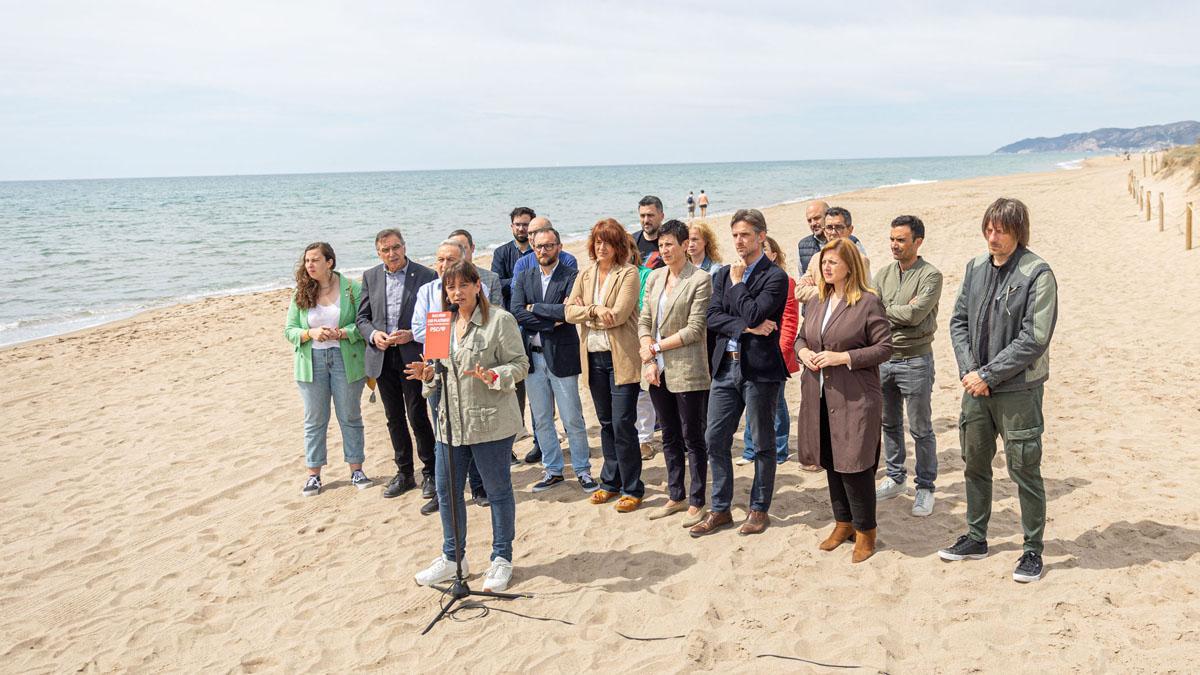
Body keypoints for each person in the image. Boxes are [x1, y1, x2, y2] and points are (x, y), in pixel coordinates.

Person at [938, 198, 1057, 584]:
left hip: (1018, 391)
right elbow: (957, 321)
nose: (993, 237)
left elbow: (1033, 339)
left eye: (1001, 230)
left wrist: (988, 374)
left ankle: (1032, 551)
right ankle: (976, 537)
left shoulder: (1037, 273)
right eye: (988, 229)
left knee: (1024, 469)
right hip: (975, 387)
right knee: (974, 463)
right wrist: (970, 371)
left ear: (1018, 231)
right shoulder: (975, 268)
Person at [407, 261, 528, 593]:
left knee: (497, 491)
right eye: (450, 287)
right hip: (450, 424)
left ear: (478, 286)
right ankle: (453, 558)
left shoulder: (499, 320)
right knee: (447, 493)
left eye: (463, 285)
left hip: (489, 422)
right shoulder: (439, 325)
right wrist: (427, 376)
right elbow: (436, 372)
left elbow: (520, 365)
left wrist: (494, 376)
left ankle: (501, 558)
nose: (456, 292)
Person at [690, 208, 789, 538]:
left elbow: (755, 310)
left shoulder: (774, 276)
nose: (739, 241)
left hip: (760, 370)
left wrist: (737, 286)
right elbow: (712, 318)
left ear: (761, 236)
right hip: (724, 368)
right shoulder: (721, 275)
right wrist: (747, 328)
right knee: (714, 439)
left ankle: (759, 509)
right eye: (734, 235)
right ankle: (720, 510)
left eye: (745, 234)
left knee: (762, 443)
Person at [795, 238, 893, 563]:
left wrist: (843, 358)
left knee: (855, 465)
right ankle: (843, 523)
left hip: (855, 396)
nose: (826, 267)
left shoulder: (867, 302)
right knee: (831, 461)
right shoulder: (817, 302)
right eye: (824, 262)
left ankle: (866, 532)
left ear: (850, 265)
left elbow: (885, 347)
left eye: (833, 262)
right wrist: (804, 352)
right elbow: (800, 338)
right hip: (819, 395)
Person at [564, 218, 644, 513]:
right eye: (597, 241)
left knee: (624, 423)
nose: (601, 247)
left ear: (618, 246)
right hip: (593, 357)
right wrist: (596, 309)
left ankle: (633, 487)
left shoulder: (629, 274)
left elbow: (621, 314)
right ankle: (610, 482)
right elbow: (569, 312)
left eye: (607, 241)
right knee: (606, 423)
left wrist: (587, 313)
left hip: (621, 358)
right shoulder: (585, 274)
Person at [511, 226, 598, 493]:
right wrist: (551, 321)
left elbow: (568, 312)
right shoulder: (524, 277)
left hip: (561, 356)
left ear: (559, 247)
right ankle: (553, 470)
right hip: (533, 359)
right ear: (533, 248)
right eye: (538, 246)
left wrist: (535, 308)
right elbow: (515, 311)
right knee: (541, 419)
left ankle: (583, 469)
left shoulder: (572, 276)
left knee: (572, 417)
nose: (543, 250)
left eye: (549, 246)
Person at [411, 240, 496, 511]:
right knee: (443, 433)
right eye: (440, 260)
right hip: (436, 369)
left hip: (470, 368)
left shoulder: (472, 289)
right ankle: (442, 491)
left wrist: (450, 329)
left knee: (471, 429)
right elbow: (417, 330)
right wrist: (445, 329)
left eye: (450, 259)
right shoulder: (426, 291)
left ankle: (479, 486)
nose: (444, 265)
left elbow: (482, 324)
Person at [637, 220, 712, 526]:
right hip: (657, 369)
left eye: (670, 244)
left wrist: (655, 348)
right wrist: (647, 353)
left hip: (687, 368)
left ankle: (697, 500)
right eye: (661, 245)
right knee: (668, 435)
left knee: (692, 436)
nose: (664, 250)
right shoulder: (655, 277)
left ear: (684, 245)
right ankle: (676, 495)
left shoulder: (701, 279)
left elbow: (694, 329)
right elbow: (644, 319)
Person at [356, 229, 438, 502]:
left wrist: (412, 335)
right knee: (393, 418)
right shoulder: (370, 277)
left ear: (404, 247)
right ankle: (404, 472)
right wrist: (373, 335)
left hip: (412, 354)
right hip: (382, 356)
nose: (392, 254)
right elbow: (362, 318)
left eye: (396, 247)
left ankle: (430, 471)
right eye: (385, 250)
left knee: (417, 414)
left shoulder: (426, 275)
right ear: (378, 252)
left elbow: (437, 318)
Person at [285, 242, 372, 496]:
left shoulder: (353, 289)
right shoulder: (300, 293)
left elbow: (365, 324)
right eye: (307, 261)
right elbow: (289, 331)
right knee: (314, 420)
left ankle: (356, 469)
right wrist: (310, 333)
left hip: (346, 360)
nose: (309, 265)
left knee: (350, 416)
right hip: (311, 362)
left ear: (329, 262)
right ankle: (314, 474)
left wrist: (343, 333)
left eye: (315, 260)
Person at [873, 215, 944, 517]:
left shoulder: (931, 275)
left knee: (921, 428)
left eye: (901, 240)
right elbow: (871, 312)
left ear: (918, 241)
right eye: (892, 239)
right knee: (888, 423)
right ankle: (895, 477)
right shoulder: (883, 273)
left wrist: (889, 311)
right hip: (884, 358)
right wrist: (896, 312)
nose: (894, 245)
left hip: (915, 359)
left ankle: (925, 486)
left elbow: (916, 315)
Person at [739, 236, 799, 466]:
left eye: (766, 250)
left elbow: (790, 321)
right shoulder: (746, 279)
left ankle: (781, 449)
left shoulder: (785, 281)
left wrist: (782, 351)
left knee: (778, 402)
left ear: (774, 255)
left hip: (776, 353)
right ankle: (750, 448)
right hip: (752, 352)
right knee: (752, 402)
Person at [490, 207, 538, 462]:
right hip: (508, 326)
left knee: (537, 385)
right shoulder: (501, 253)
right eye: (518, 225)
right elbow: (497, 284)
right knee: (512, 388)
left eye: (526, 225)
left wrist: (514, 281)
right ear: (511, 227)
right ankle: (510, 443)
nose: (522, 229)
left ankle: (540, 442)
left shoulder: (539, 250)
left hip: (533, 323)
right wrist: (522, 280)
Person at [797, 206, 870, 305]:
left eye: (839, 227)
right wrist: (833, 292)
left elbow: (860, 294)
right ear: (824, 230)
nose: (833, 232)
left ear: (850, 230)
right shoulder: (816, 259)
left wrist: (819, 289)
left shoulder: (859, 260)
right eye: (829, 227)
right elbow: (799, 291)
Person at [447, 229, 503, 308]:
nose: (459, 253)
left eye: (463, 248)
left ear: (472, 248)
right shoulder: (444, 281)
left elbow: (498, 309)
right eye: (454, 249)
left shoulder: (491, 278)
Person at [795, 199, 830, 276]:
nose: (813, 223)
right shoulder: (802, 246)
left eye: (817, 218)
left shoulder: (850, 241)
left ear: (828, 216)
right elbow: (801, 277)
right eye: (809, 220)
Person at [635, 195, 666, 269]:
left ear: (662, 216)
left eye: (650, 215)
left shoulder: (671, 241)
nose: (646, 220)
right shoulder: (632, 241)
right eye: (642, 216)